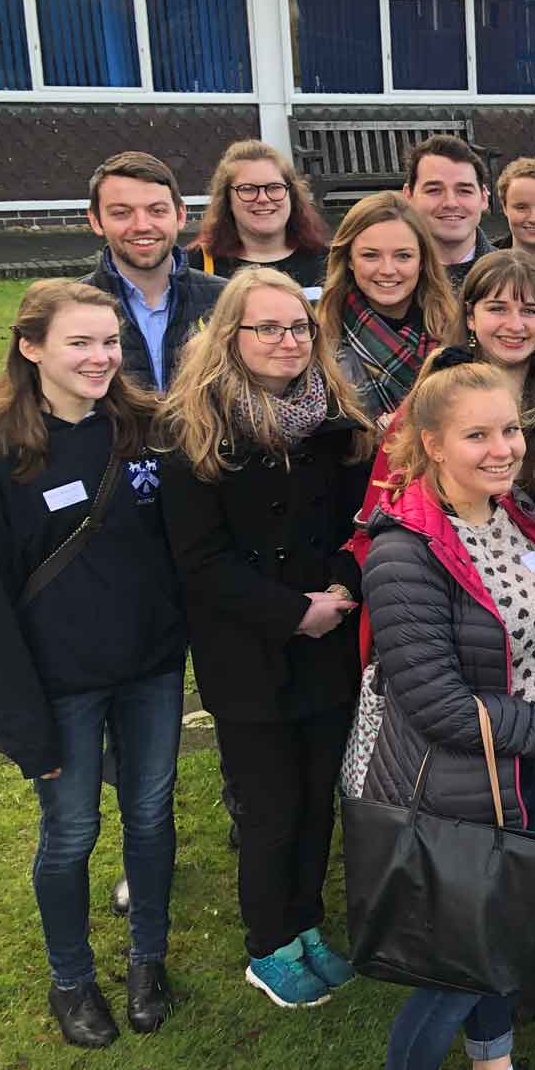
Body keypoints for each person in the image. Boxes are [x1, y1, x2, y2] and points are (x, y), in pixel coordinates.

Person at [356, 362, 535, 1070]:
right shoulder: (403, 549)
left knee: (502, 934)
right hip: (453, 787)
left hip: (525, 773)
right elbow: (433, 701)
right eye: (478, 435)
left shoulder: (519, 515)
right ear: (431, 446)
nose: (503, 449)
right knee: (452, 968)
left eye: (510, 429)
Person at [0, 282, 185, 1048]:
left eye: (110, 342)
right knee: (72, 831)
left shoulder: (146, 429)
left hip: (150, 668)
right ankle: (71, 978)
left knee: (151, 815)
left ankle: (149, 960)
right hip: (61, 686)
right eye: (79, 343)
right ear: (31, 348)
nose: (100, 357)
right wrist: (23, 722)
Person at [158, 268, 377, 1009]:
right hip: (250, 649)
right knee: (270, 803)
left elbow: (364, 520)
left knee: (320, 797)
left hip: (328, 639)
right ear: (231, 337)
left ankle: (307, 921)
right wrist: (291, 611)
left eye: (299, 328)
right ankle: (268, 942)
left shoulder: (337, 422)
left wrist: (344, 587)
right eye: (269, 328)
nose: (288, 341)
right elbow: (200, 561)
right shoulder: (194, 431)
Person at [351, 250, 535, 548]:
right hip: (447, 574)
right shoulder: (429, 404)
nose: (515, 325)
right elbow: (381, 513)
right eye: (498, 309)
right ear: (471, 317)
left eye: (529, 311)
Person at [81, 150, 226, 394]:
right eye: (121, 213)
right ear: (95, 220)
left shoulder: (228, 299)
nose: (142, 226)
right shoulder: (69, 309)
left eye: (157, 210)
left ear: (180, 215)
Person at [319, 192, 462, 419]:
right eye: (370, 255)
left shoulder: (458, 331)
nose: (387, 269)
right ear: (348, 260)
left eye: (403, 256)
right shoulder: (319, 341)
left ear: (422, 261)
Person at [191, 140, 331, 294]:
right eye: (248, 189)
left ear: (291, 195)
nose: (263, 198)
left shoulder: (329, 263)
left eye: (274, 187)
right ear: (227, 199)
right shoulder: (197, 265)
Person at [402, 135, 494, 286]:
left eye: (464, 191)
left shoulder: (517, 278)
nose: (450, 203)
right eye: (434, 190)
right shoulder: (388, 280)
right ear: (408, 196)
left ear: (484, 197)